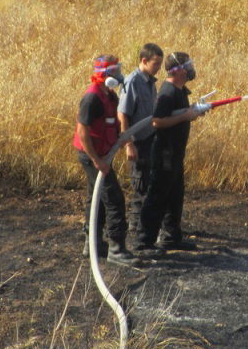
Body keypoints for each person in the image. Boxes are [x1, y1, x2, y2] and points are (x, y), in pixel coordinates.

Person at [134, 51, 206, 257]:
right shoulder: (167, 93)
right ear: (179, 70)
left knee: (175, 195)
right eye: (189, 65)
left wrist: (193, 112)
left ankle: (171, 237)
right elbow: (157, 121)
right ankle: (143, 243)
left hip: (176, 152)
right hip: (165, 152)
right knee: (157, 195)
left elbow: (182, 115)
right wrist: (186, 116)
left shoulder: (180, 90)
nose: (192, 68)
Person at [73, 55, 139, 267]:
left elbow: (114, 121)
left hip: (102, 153)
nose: (119, 75)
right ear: (103, 75)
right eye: (114, 71)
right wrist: (97, 160)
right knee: (114, 198)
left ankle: (92, 243)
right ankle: (116, 248)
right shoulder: (91, 99)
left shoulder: (110, 95)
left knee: (96, 197)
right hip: (91, 154)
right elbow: (83, 132)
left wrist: (124, 137)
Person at [117, 43, 164, 237]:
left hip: (150, 139)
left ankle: (145, 226)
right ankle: (137, 229)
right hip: (138, 141)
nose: (158, 68)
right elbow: (123, 115)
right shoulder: (133, 81)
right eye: (155, 63)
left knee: (149, 184)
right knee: (140, 186)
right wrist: (129, 144)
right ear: (144, 61)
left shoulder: (150, 81)